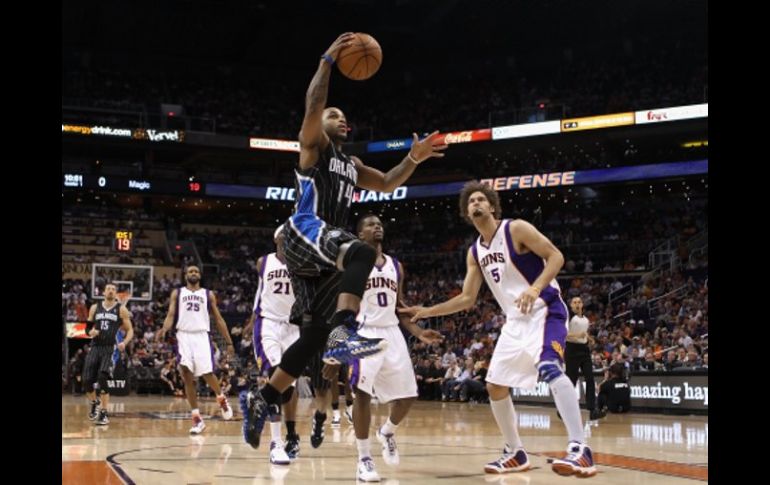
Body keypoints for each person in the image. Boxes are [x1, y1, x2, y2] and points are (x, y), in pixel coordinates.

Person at [244, 32, 447, 449]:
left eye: (343, 116)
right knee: (361, 251)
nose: (341, 118)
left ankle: (262, 399)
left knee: (313, 338)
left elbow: (388, 182)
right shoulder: (314, 148)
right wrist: (328, 62)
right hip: (307, 229)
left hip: (325, 254)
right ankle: (344, 329)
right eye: (334, 114)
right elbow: (314, 104)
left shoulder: (351, 164)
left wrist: (414, 158)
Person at [401, 181, 597, 478]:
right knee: (495, 386)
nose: (476, 203)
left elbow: (556, 256)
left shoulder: (515, 229)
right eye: (471, 202)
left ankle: (580, 448)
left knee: (550, 367)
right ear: (467, 213)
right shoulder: (474, 252)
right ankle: (515, 452)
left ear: (492, 206)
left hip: (546, 309)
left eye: (481, 199)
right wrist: (426, 311)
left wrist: (534, 288)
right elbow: (467, 299)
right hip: (515, 322)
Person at [241, 225, 300, 464]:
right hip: (269, 325)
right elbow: (259, 293)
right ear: (276, 239)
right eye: (285, 235)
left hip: (294, 327)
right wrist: (252, 321)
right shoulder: (263, 262)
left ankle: (292, 434)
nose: (288, 239)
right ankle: (275, 443)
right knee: (276, 377)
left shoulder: (303, 264)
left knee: (290, 386)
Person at [157, 265, 235, 434]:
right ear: (185, 276)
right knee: (186, 374)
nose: (193, 273)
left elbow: (219, 319)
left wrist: (228, 342)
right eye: (190, 271)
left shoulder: (208, 294)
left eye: (196, 271)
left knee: (207, 373)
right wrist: (164, 329)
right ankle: (197, 419)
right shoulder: (177, 293)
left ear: (199, 275)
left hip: (201, 335)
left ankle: (221, 398)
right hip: (183, 335)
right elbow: (170, 315)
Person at [83, 283, 134, 425]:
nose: (111, 291)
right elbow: (87, 328)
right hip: (95, 347)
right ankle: (94, 402)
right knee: (86, 380)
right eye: (108, 289)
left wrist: (124, 342)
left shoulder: (121, 309)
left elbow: (130, 330)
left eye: (113, 289)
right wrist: (90, 332)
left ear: (116, 293)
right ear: (103, 292)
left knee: (102, 377)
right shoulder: (95, 307)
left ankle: (104, 413)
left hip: (109, 348)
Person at [565, 297, 605, 420]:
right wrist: (578, 335)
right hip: (572, 350)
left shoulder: (586, 320)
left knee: (590, 378)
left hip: (584, 350)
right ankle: (563, 410)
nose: (577, 304)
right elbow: (564, 335)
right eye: (574, 302)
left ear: (582, 304)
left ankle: (592, 410)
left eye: (579, 302)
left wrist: (589, 338)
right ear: (571, 305)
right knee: (571, 382)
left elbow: (583, 333)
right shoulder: (568, 318)